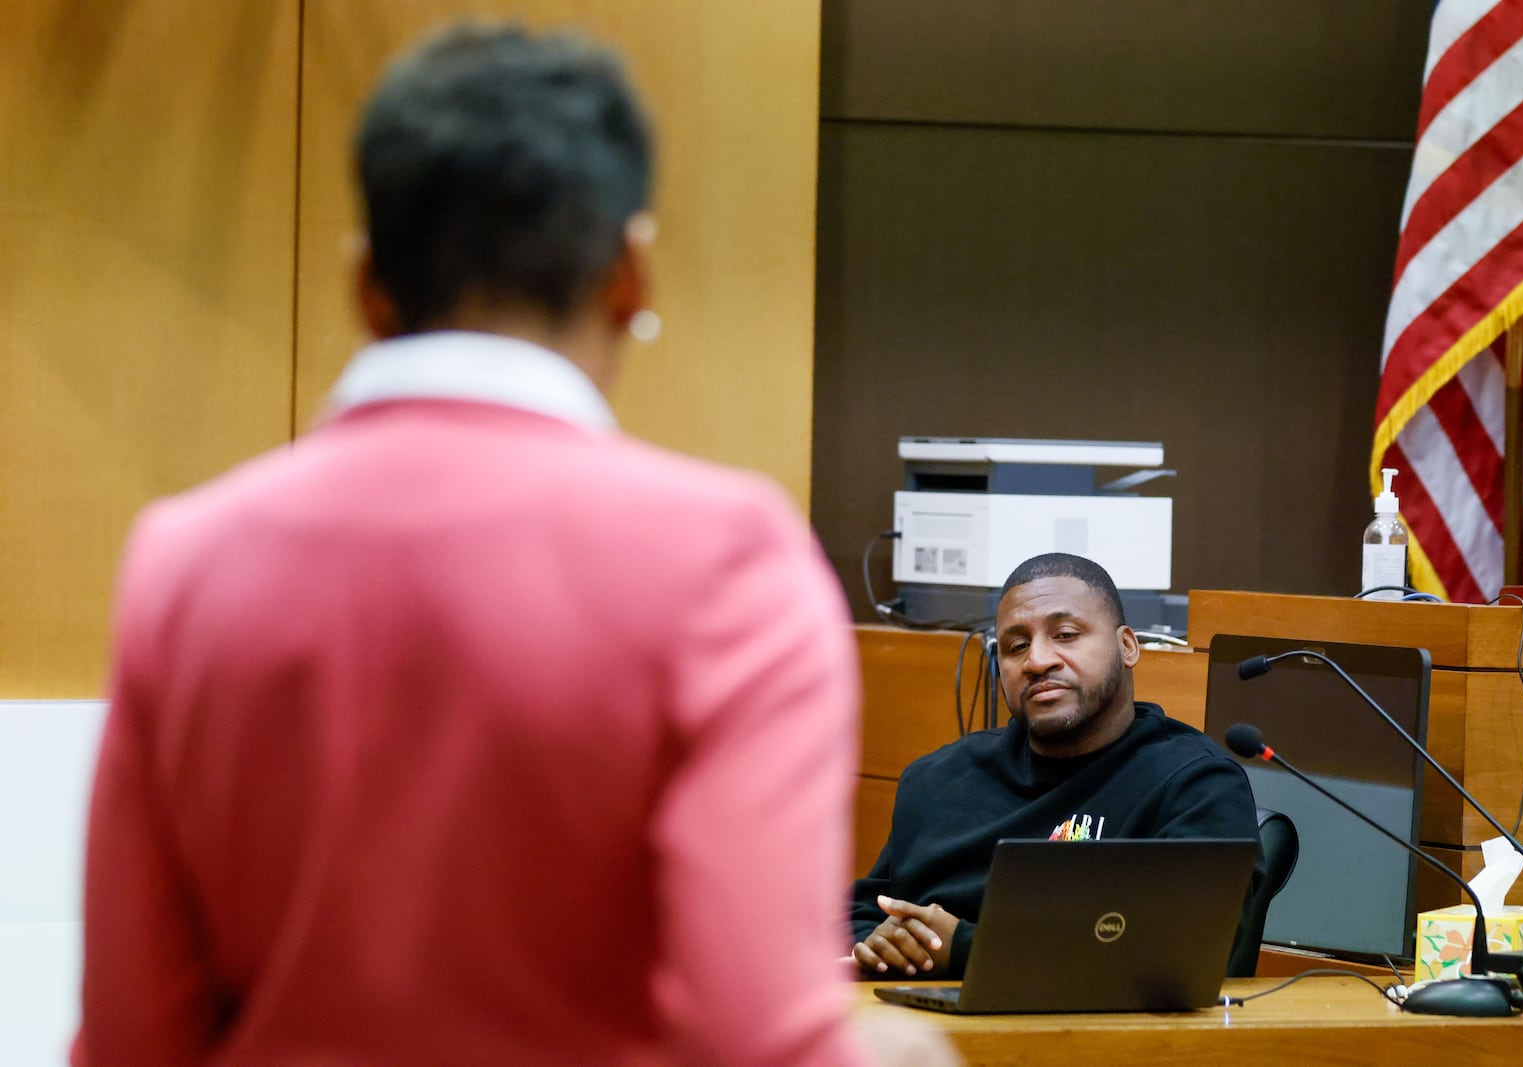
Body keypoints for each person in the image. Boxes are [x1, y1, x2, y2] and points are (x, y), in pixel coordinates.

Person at [74, 22, 953, 1067]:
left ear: (367, 285)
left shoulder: (186, 561)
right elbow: (756, 1035)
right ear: (630, 274)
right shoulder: (728, 560)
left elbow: (132, 1036)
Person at [850, 552, 1265, 980]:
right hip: (911, 1029)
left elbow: (1178, 956)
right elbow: (858, 915)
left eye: (1065, 635)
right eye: (1016, 646)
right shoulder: (939, 778)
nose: (1037, 661)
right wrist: (877, 945)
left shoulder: (1194, 784)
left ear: (1127, 646)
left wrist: (963, 950)